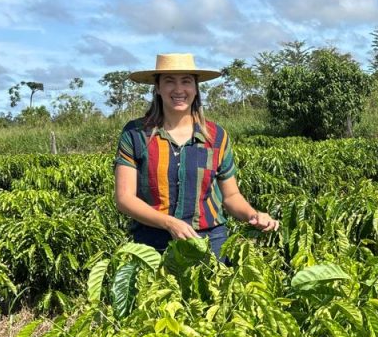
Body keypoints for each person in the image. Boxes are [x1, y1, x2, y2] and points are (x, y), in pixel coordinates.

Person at [114, 53, 279, 260]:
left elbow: (230, 196)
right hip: (152, 244)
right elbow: (124, 198)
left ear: (195, 88)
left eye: (186, 81)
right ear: (157, 88)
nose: (179, 89)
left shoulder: (216, 136)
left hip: (210, 242)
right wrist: (169, 223)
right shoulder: (136, 134)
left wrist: (253, 215)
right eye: (169, 81)